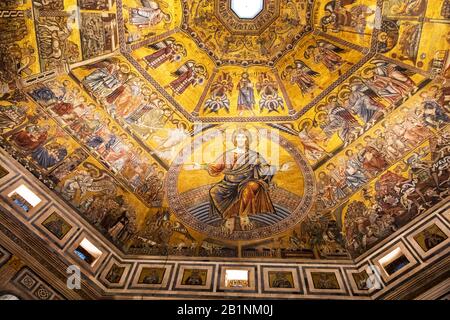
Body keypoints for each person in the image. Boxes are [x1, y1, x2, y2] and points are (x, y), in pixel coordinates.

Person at [192, 128, 291, 231]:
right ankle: (229, 217)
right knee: (214, 191)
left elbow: (264, 169)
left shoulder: (254, 155)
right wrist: (200, 166)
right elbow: (216, 167)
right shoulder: (228, 154)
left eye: (243, 137)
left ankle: (244, 216)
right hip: (229, 183)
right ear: (234, 139)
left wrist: (279, 168)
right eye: (238, 137)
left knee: (249, 187)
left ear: (247, 139)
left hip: (248, 181)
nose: (240, 139)